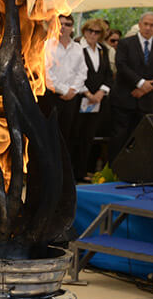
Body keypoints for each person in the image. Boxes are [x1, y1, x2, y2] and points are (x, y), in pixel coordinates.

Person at [108, 11, 153, 161]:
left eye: (152, 25)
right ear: (140, 24)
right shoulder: (125, 43)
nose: (148, 28)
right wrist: (140, 83)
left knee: (141, 136)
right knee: (120, 135)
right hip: (125, 98)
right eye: (145, 24)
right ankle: (115, 169)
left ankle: (136, 168)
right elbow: (121, 66)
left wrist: (147, 88)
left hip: (147, 101)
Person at [42, 13, 86, 176]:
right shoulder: (47, 45)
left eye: (67, 24)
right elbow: (46, 72)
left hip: (72, 98)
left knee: (68, 135)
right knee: (50, 135)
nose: (64, 27)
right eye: (60, 24)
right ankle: (48, 172)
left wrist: (73, 90)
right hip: (52, 96)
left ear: (72, 27)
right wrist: (64, 90)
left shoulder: (78, 48)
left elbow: (82, 72)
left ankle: (63, 173)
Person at [76, 18, 113, 178]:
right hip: (79, 97)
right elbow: (74, 72)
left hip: (98, 100)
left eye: (97, 32)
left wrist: (100, 93)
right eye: (89, 31)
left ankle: (85, 170)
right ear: (84, 31)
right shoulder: (78, 48)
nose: (92, 34)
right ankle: (75, 171)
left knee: (90, 136)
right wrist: (87, 93)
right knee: (77, 135)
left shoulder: (102, 49)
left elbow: (108, 75)